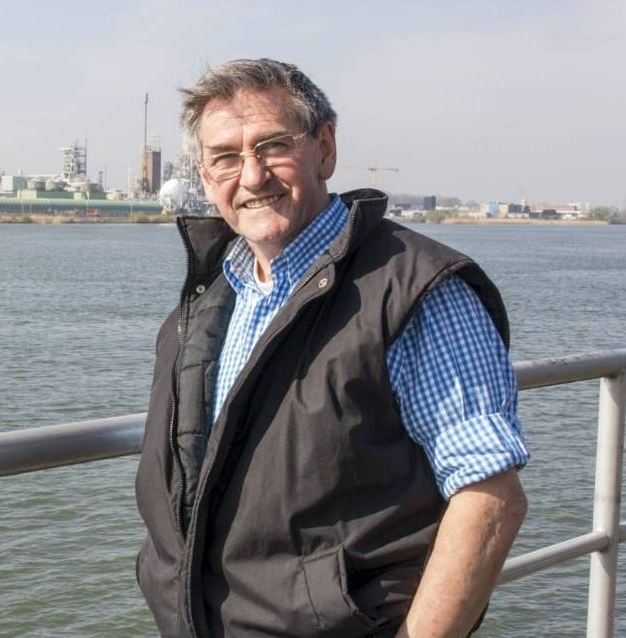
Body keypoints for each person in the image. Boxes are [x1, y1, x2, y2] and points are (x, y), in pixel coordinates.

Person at [135, 59, 529, 638]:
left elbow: (490, 499)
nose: (251, 176)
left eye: (271, 146)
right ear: (204, 172)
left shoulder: (411, 288)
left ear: (325, 148)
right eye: (225, 157)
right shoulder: (210, 301)